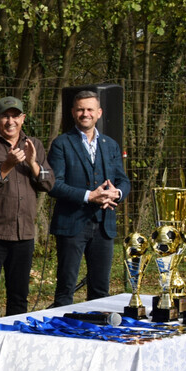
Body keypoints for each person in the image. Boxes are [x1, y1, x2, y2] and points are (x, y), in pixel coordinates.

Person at [0, 96, 54, 320]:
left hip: (23, 234)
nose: (10, 121)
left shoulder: (33, 144)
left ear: (23, 118)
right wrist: (7, 166)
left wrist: (33, 163)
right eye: (5, 116)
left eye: (15, 116)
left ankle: (15, 338)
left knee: (19, 296)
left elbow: (48, 184)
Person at [48, 90, 131, 307]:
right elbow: (54, 185)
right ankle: (63, 328)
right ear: (73, 112)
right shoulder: (61, 144)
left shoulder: (110, 144)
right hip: (71, 224)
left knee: (101, 290)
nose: (85, 114)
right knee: (65, 288)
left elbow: (123, 181)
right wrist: (89, 196)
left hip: (104, 225)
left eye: (90, 109)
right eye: (80, 109)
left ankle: (97, 326)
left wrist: (116, 193)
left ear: (99, 113)